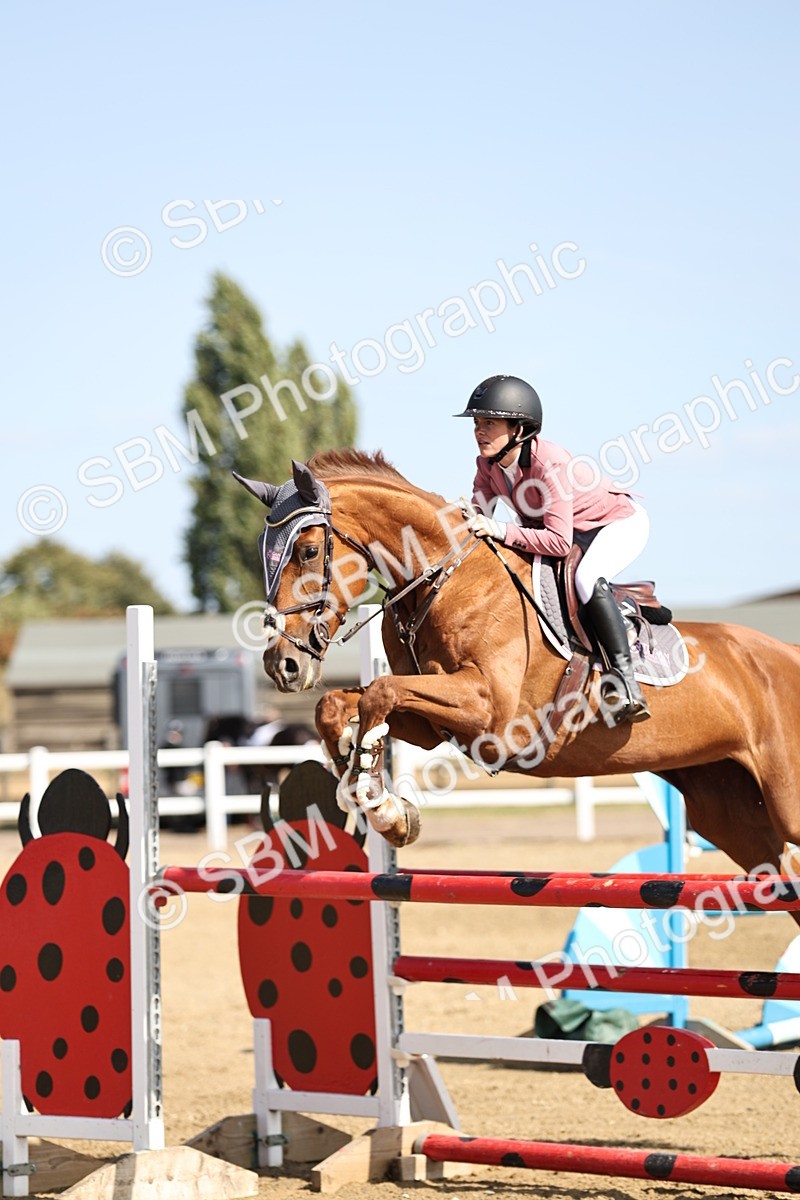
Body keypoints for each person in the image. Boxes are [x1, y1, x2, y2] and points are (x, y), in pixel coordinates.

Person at [455, 374, 651, 724]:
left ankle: (625, 682)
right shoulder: (486, 465)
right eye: (476, 423)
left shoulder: (551, 464)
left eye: (489, 422)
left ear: (518, 429)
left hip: (616, 523)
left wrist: (499, 528)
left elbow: (558, 542)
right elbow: (480, 520)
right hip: (570, 533)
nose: (478, 431)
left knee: (587, 579)